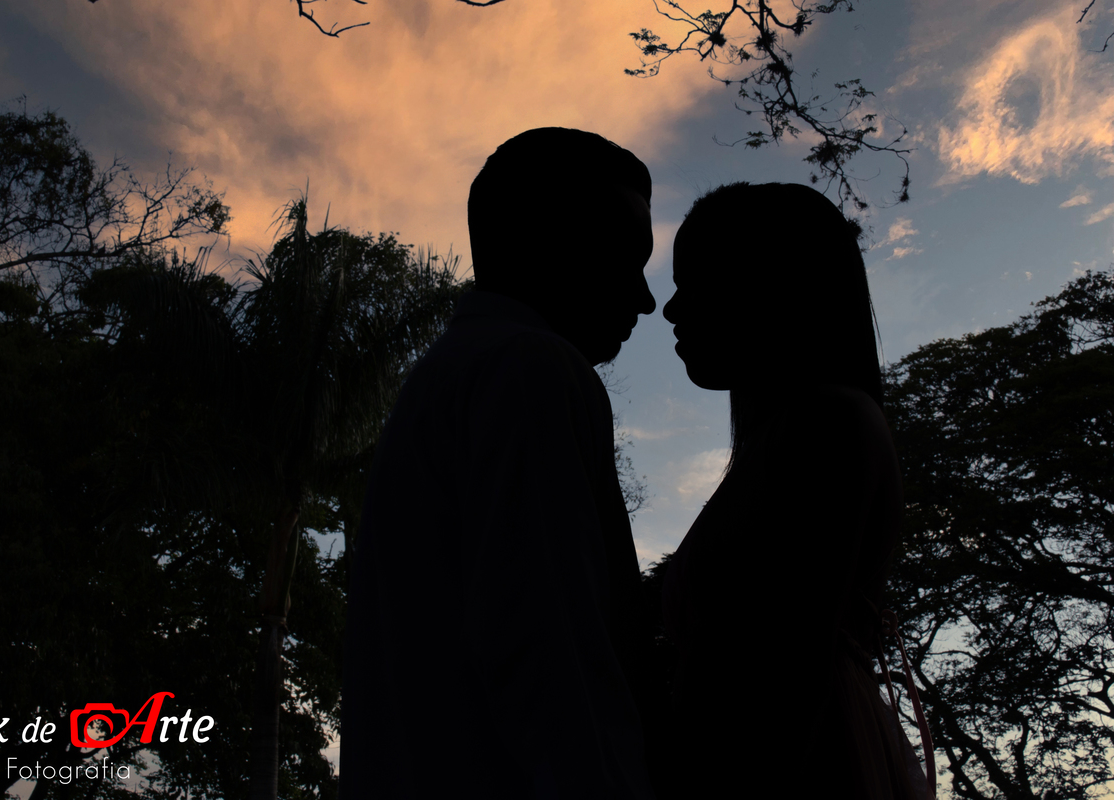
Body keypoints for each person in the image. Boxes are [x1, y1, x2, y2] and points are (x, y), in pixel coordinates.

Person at [339, 127, 659, 799]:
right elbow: (553, 653)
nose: (644, 298)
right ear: (551, 243)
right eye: (624, 258)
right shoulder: (529, 367)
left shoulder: (456, 373)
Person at [658, 182, 923, 799]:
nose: (670, 310)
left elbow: (782, 679)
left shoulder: (826, 424)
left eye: (695, 282)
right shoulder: (801, 430)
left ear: (767, 287)